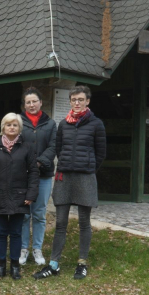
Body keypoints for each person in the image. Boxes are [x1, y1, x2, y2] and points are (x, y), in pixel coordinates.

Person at [33, 86, 106, 280]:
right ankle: (54, 264)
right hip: (64, 176)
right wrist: (68, 164)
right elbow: (58, 149)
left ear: (87, 101)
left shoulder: (96, 124)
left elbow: (101, 153)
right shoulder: (63, 124)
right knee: (60, 223)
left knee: (84, 223)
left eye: (81, 99)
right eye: (74, 99)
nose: (77, 103)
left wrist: (88, 167)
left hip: (85, 177)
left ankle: (82, 263)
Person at [0, 113, 39, 279]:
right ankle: (0, 266)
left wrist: (31, 194)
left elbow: (34, 172)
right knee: (0, 233)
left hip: (19, 196)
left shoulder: (27, 147)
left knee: (15, 233)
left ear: (19, 128)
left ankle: (15, 266)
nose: (11, 127)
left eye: (15, 125)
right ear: (3, 127)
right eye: (8, 125)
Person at [19, 87, 57, 266]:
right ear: (24, 105)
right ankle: (23, 248)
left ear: (41, 103)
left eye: (34, 101)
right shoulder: (18, 122)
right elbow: (14, 144)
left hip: (43, 175)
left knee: (40, 214)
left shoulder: (50, 124)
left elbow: (53, 146)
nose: (32, 104)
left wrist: (39, 162)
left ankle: (37, 249)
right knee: (25, 214)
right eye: (28, 102)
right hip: (22, 176)